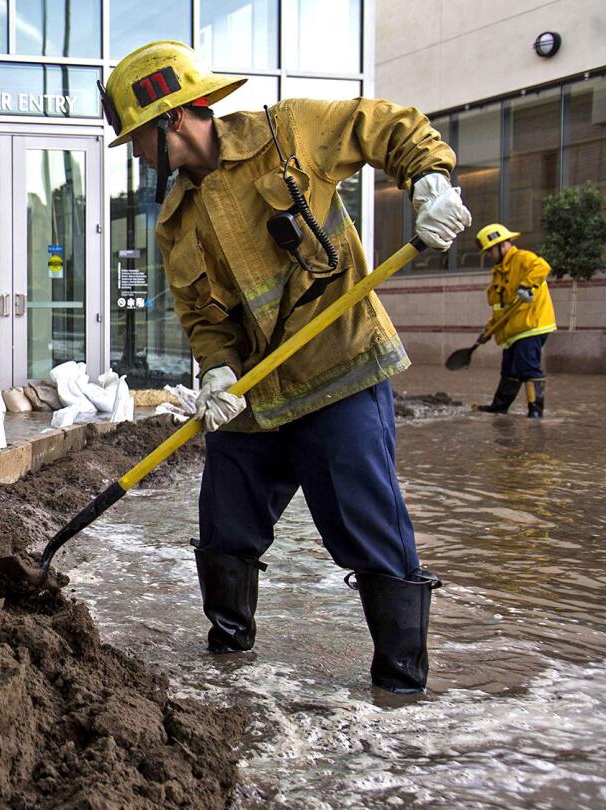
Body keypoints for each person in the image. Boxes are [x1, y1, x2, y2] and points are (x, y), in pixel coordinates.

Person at [100, 41, 472, 693]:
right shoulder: (174, 222)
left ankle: (401, 688)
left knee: (365, 528)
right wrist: (215, 371)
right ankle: (226, 666)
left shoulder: (291, 132)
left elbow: (390, 126)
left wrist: (430, 184)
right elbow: (204, 322)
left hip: (338, 374)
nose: (136, 154)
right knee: (225, 528)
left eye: (138, 138)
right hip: (251, 398)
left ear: (173, 121)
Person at [474, 224, 556, 418]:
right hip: (514, 330)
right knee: (509, 368)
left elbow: (542, 267)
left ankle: (535, 412)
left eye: (491, 251)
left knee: (528, 367)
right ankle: (500, 406)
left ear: (502, 245)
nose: (489, 255)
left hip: (531, 325)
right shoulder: (498, 273)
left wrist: (526, 285)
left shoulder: (522, 259)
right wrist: (488, 331)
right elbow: (499, 310)